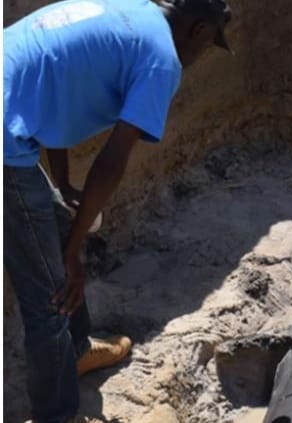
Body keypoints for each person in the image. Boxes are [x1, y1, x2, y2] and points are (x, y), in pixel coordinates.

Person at [3, 0, 232, 421]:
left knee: (54, 217)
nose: (200, 58)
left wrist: (62, 185)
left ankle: (77, 350)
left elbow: (57, 96)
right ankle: (57, 414)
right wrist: (72, 255)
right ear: (199, 30)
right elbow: (112, 162)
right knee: (51, 294)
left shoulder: (127, 10)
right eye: (208, 45)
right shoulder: (162, 60)